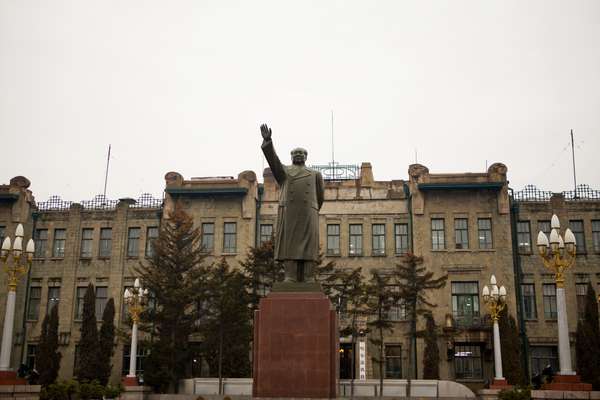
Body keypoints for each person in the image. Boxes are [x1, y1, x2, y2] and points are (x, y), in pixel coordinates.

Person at [260, 123, 324, 283]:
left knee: (309, 246)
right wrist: (268, 143)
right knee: (290, 245)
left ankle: (309, 276)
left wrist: (312, 210)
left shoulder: (315, 174)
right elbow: (273, 161)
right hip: (289, 213)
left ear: (306, 156)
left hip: (308, 213)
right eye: (295, 153)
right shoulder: (285, 172)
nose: (299, 154)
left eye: (302, 153)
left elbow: (320, 196)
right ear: (291, 156)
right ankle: (290, 276)